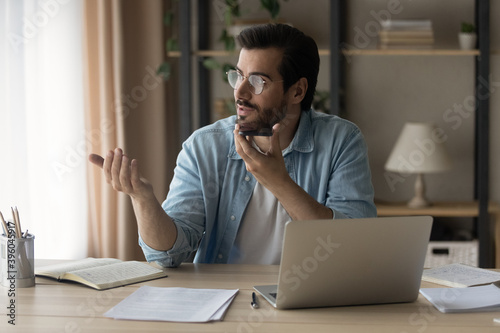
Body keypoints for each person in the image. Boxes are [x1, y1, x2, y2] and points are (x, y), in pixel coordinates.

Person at [89, 23, 377, 267]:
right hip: (224, 301)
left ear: (297, 90)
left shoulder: (342, 141)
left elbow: (353, 249)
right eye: (238, 76)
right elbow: (168, 255)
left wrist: (278, 181)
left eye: (257, 81)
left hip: (310, 297)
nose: (240, 91)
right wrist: (143, 199)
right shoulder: (204, 147)